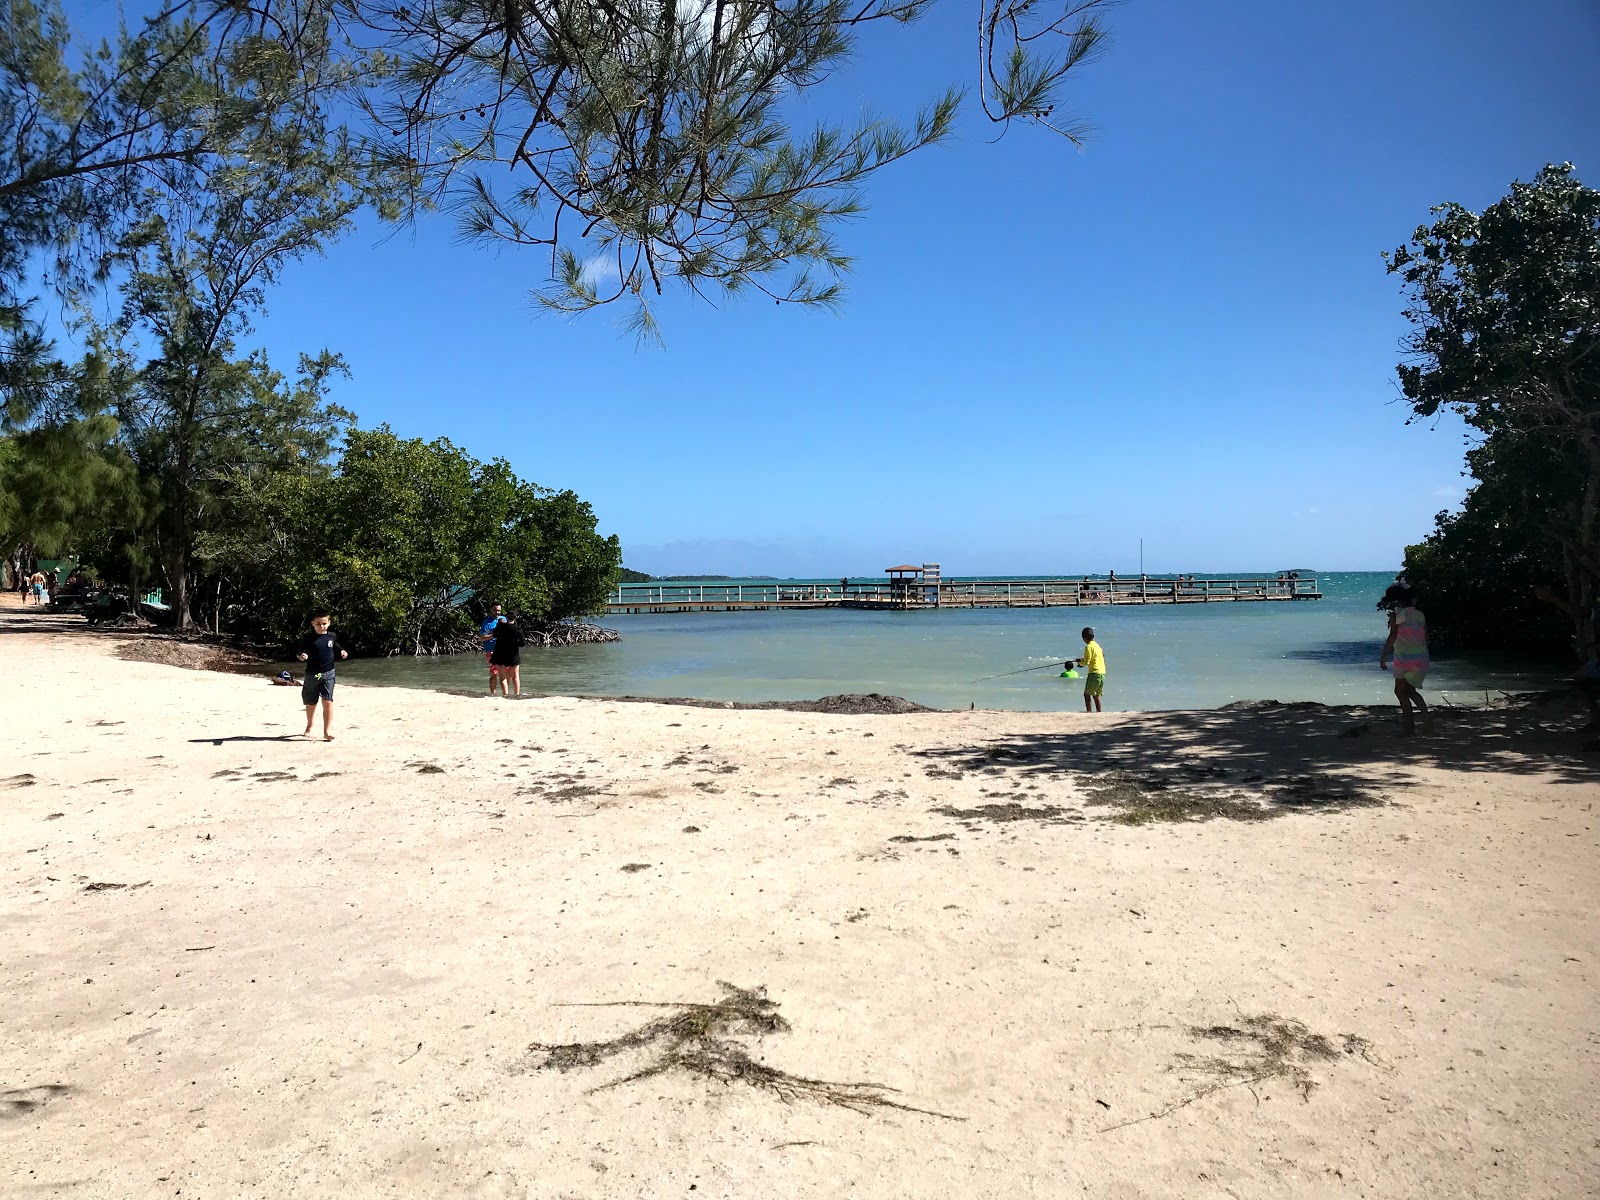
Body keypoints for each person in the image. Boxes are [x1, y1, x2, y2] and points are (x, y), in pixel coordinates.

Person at [1378, 580, 1431, 735]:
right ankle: (1424, 720)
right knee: (1409, 691)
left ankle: (1410, 726)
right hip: (1419, 657)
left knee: (1401, 692)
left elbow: (1393, 636)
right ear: (1413, 599)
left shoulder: (1398, 615)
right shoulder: (1420, 615)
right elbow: (1425, 636)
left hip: (1403, 658)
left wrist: (1383, 657)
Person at [296, 608, 348, 741]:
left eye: (324, 623)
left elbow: (335, 645)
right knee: (311, 703)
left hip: (328, 673)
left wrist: (342, 651)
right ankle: (309, 725)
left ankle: (327, 731)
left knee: (328, 701)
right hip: (312, 674)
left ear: (329, 623)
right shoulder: (309, 638)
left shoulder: (332, 636)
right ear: (313, 623)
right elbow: (301, 651)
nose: (321, 626)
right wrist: (302, 656)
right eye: (318, 624)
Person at [489, 613, 526, 696]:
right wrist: (515, 644)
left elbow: (494, 635)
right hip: (513, 653)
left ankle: (505, 694)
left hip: (500, 652)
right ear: (516, 618)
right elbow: (523, 643)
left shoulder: (500, 627)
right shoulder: (518, 629)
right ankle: (516, 694)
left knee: (502, 677)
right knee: (515, 676)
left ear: (506, 617)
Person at [1072, 626, 1106, 713]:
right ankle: (1099, 712)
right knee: (1096, 695)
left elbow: (1087, 662)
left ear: (1084, 638)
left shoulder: (1088, 647)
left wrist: (1079, 663)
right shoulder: (1097, 646)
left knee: (1086, 695)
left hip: (1094, 673)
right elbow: (1097, 657)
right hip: (1102, 673)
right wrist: (1083, 660)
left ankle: (1089, 712)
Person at [480, 604, 505, 694]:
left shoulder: (503, 619)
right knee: (494, 674)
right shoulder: (486, 622)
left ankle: (505, 694)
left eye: (499, 610)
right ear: (491, 610)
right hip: (491, 650)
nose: (497, 612)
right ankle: (493, 693)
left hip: (503, 650)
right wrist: (493, 635)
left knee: (504, 674)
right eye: (495, 610)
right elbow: (482, 637)